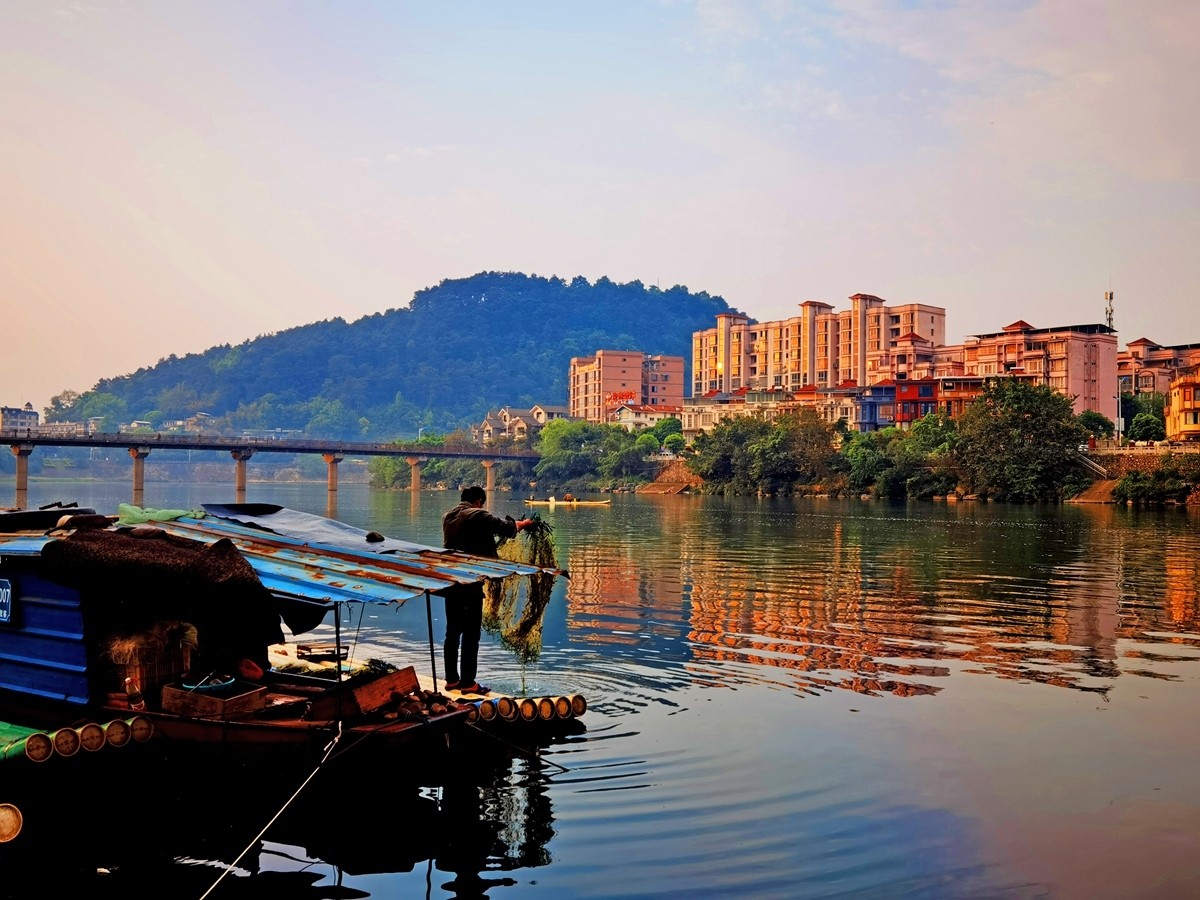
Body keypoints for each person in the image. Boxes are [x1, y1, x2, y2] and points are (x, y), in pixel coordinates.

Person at [441, 485, 532, 694]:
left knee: (452, 631)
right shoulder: (477, 514)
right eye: (482, 504)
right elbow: (507, 528)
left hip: (450, 581)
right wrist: (524, 524)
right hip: (471, 581)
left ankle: (452, 680)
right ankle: (468, 683)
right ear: (479, 502)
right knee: (471, 633)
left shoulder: (448, 516)